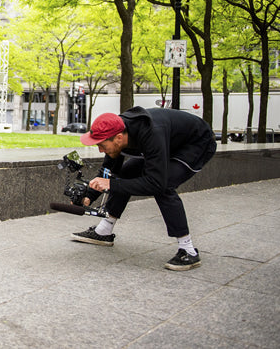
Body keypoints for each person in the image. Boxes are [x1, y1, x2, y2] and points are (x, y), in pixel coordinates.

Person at [72, 106, 217, 271]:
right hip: (168, 142)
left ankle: (188, 250)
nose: (100, 150)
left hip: (196, 144)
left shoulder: (151, 133)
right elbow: (109, 170)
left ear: (118, 138)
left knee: (164, 185)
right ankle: (104, 231)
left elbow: (156, 183)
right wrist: (88, 196)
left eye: (102, 145)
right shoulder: (115, 129)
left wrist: (111, 184)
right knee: (125, 173)